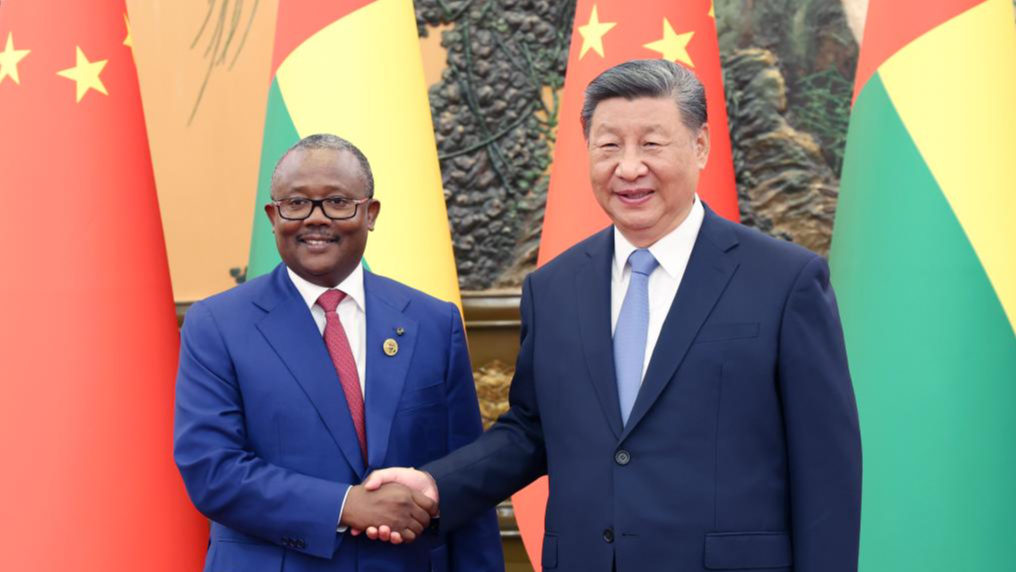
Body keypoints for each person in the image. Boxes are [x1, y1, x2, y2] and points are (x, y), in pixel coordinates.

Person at [363, 60, 862, 572]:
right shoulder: (553, 287)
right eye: (608, 146)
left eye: (651, 144)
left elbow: (826, 471)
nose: (628, 168)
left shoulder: (785, 281)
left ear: (701, 146)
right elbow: (531, 431)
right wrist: (435, 485)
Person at [173, 134, 503, 572]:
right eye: (296, 204)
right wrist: (346, 505)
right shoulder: (217, 325)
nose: (316, 219)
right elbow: (213, 471)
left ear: (371, 214)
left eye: (337, 202)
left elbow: (465, 480)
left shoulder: (432, 322)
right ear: (273, 216)